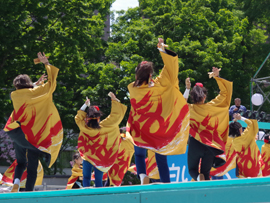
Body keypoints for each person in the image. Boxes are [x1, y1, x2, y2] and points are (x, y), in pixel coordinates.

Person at [126, 38, 190, 184]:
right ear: (150, 75)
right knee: (161, 157)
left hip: (142, 128)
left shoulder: (133, 89)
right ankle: (167, 184)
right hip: (159, 128)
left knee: (140, 154)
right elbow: (171, 69)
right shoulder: (160, 85)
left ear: (137, 76)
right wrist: (162, 50)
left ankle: (142, 175)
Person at [3, 52, 63, 192]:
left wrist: (34, 84)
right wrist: (46, 64)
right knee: (32, 166)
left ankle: (16, 182)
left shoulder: (15, 95)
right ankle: (28, 192)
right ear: (29, 84)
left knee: (20, 162)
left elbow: (26, 92)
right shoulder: (38, 93)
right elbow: (51, 84)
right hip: (32, 137)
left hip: (15, 133)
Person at [184, 68, 233, 181]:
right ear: (204, 96)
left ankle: (197, 177)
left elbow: (180, 104)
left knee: (192, 170)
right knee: (206, 174)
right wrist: (217, 76)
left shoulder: (189, 109)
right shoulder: (213, 106)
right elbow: (225, 94)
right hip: (211, 144)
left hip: (196, 143)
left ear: (193, 97)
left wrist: (187, 89)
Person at [76, 93, 127, 187]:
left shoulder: (84, 127)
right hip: (101, 158)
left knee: (86, 177)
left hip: (88, 156)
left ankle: (85, 196)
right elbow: (116, 116)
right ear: (98, 118)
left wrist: (85, 105)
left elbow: (78, 118)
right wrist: (114, 100)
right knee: (98, 180)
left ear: (87, 117)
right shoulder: (106, 126)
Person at [227, 113, 262, 178]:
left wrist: (253, 140)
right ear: (240, 129)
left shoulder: (234, 141)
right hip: (253, 161)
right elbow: (251, 124)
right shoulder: (246, 135)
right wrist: (241, 118)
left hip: (243, 164)